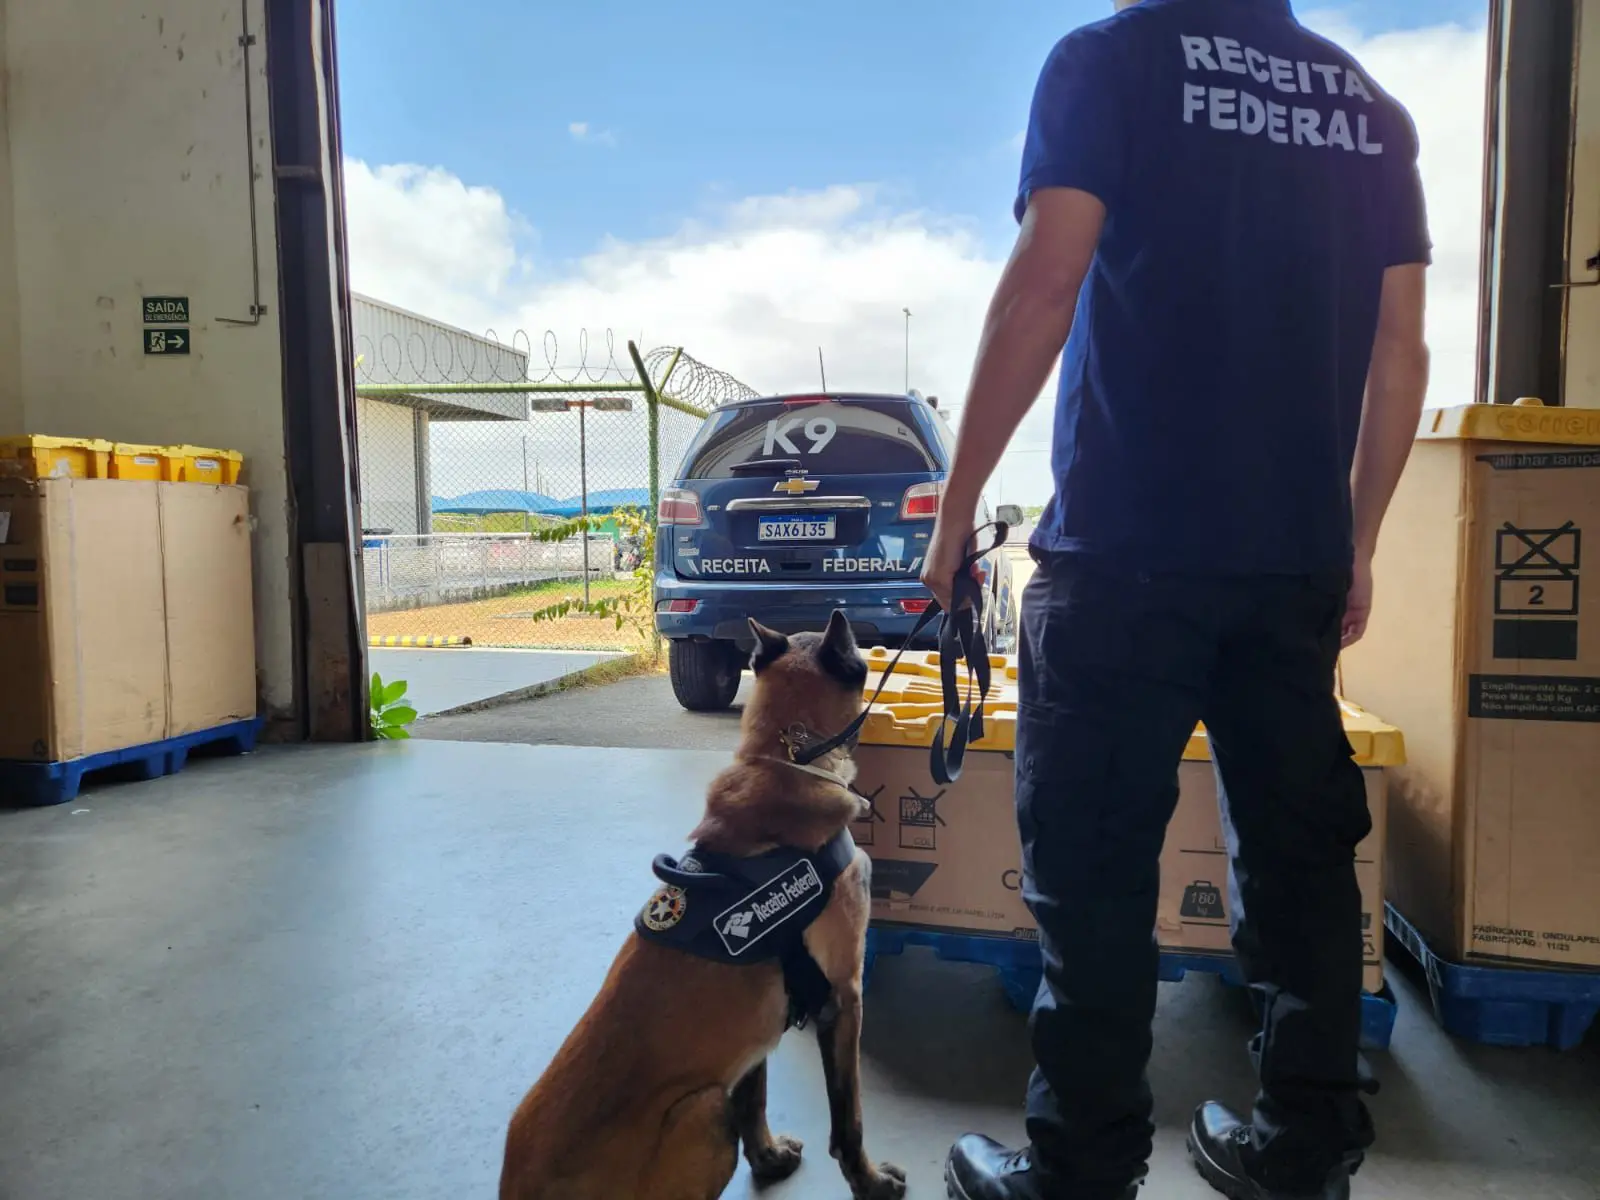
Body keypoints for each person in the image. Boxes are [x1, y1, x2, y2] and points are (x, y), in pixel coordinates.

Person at [920, 1, 1431, 1197]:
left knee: (1093, 870)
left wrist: (956, 512)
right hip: (1289, 562)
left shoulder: (1108, 61)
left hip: (1123, 555)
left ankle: (1079, 1172)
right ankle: (1303, 1157)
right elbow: (1400, 349)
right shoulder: (1367, 106)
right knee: (1302, 870)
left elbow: (1049, 276)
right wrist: (1357, 539)